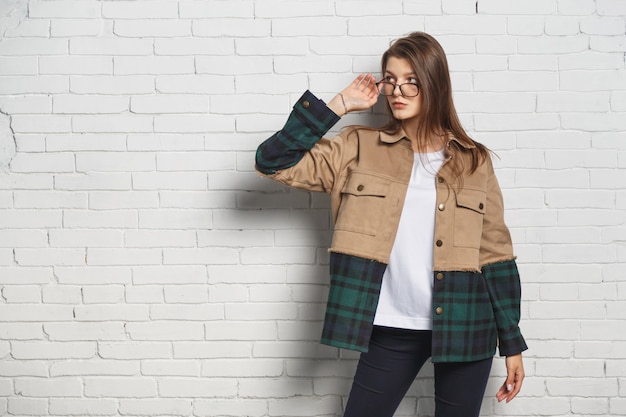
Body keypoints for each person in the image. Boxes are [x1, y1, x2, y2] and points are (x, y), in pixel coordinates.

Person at [255, 31, 527, 417]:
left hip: (466, 321)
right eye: (391, 79)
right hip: (391, 325)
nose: (398, 90)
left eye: (412, 81)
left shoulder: (473, 161)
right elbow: (272, 161)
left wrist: (512, 343)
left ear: (435, 85)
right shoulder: (357, 147)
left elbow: (496, 252)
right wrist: (339, 105)